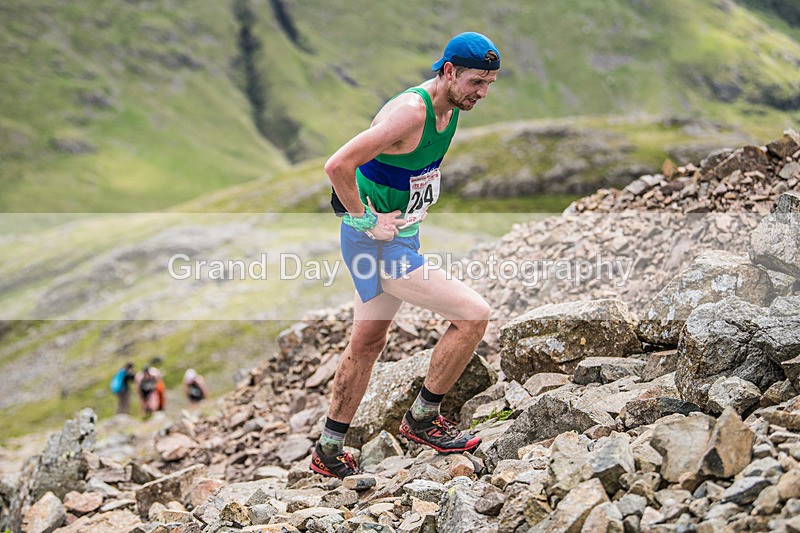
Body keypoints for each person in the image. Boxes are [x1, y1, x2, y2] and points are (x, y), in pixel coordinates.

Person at [310, 32, 500, 479]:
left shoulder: (449, 107)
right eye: (476, 82)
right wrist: (362, 219)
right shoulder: (411, 113)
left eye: (490, 83)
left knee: (368, 343)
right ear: (448, 70)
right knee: (473, 315)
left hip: (399, 239)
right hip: (378, 245)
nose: (483, 93)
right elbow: (337, 166)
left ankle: (329, 449)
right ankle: (421, 419)